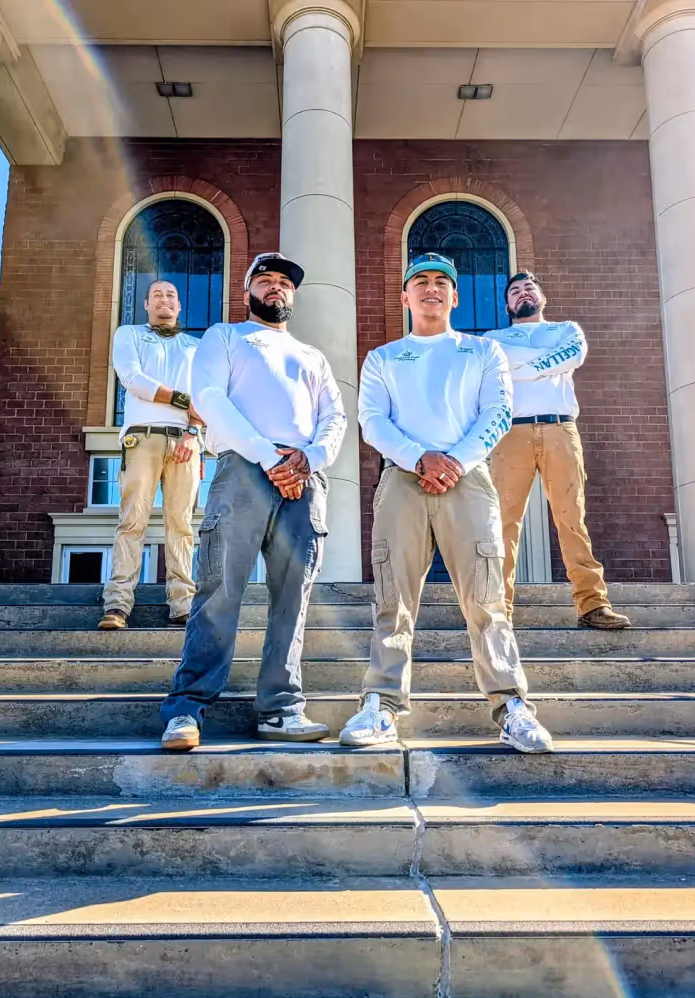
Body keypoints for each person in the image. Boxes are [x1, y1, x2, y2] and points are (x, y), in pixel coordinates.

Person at [339, 252, 553, 754]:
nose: (431, 289)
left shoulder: (481, 352)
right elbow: (372, 421)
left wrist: (453, 461)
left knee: (486, 600)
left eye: (442, 282)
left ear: (455, 296)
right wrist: (421, 459)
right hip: (402, 481)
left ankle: (511, 705)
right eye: (421, 282)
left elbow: (498, 413)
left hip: (469, 480)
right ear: (405, 296)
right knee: (393, 601)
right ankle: (381, 704)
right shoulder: (385, 357)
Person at [159, 252, 347, 751]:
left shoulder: (313, 356)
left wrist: (306, 461)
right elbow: (210, 399)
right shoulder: (225, 336)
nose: (276, 288)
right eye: (265, 280)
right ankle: (187, 710)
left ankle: (281, 709)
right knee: (219, 589)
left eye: (285, 282)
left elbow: (335, 418)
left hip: (304, 483)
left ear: (294, 295)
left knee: (293, 599)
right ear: (248, 291)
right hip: (243, 471)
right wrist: (269, 457)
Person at [486, 272, 630, 630]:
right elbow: (493, 369)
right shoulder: (493, 339)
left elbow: (573, 356)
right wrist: (543, 364)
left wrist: (519, 367)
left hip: (560, 428)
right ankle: (498, 612)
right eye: (515, 291)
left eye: (528, 288)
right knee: (502, 523)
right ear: (507, 305)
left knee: (571, 519)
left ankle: (592, 605)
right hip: (509, 433)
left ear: (541, 297)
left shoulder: (566, 330)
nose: (522, 294)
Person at [100, 280, 204, 631]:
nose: (164, 299)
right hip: (141, 438)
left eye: (171, 295)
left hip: (184, 442)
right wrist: (184, 401)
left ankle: (183, 603)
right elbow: (132, 378)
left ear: (179, 306)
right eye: (157, 294)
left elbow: (205, 397)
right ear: (146, 303)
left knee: (181, 525)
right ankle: (117, 605)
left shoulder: (195, 346)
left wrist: (193, 430)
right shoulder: (129, 334)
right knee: (132, 521)